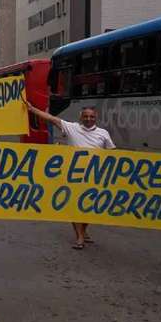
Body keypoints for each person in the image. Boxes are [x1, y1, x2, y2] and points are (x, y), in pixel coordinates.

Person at [25, 101, 116, 250]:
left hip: (94, 176)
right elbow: (50, 118)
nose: (88, 119)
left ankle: (83, 230)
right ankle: (80, 237)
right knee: (75, 207)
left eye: (91, 117)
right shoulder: (71, 127)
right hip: (73, 176)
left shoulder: (103, 133)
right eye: (85, 116)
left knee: (90, 208)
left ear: (96, 118)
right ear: (81, 117)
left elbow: (112, 153)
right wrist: (32, 109)